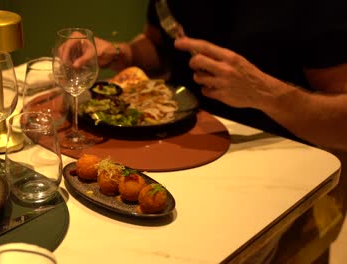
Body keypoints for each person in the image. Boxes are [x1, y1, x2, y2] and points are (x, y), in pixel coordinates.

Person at [93, 0, 347, 263]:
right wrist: (122, 54)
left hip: (278, 173)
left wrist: (265, 95)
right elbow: (160, 45)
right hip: (182, 155)